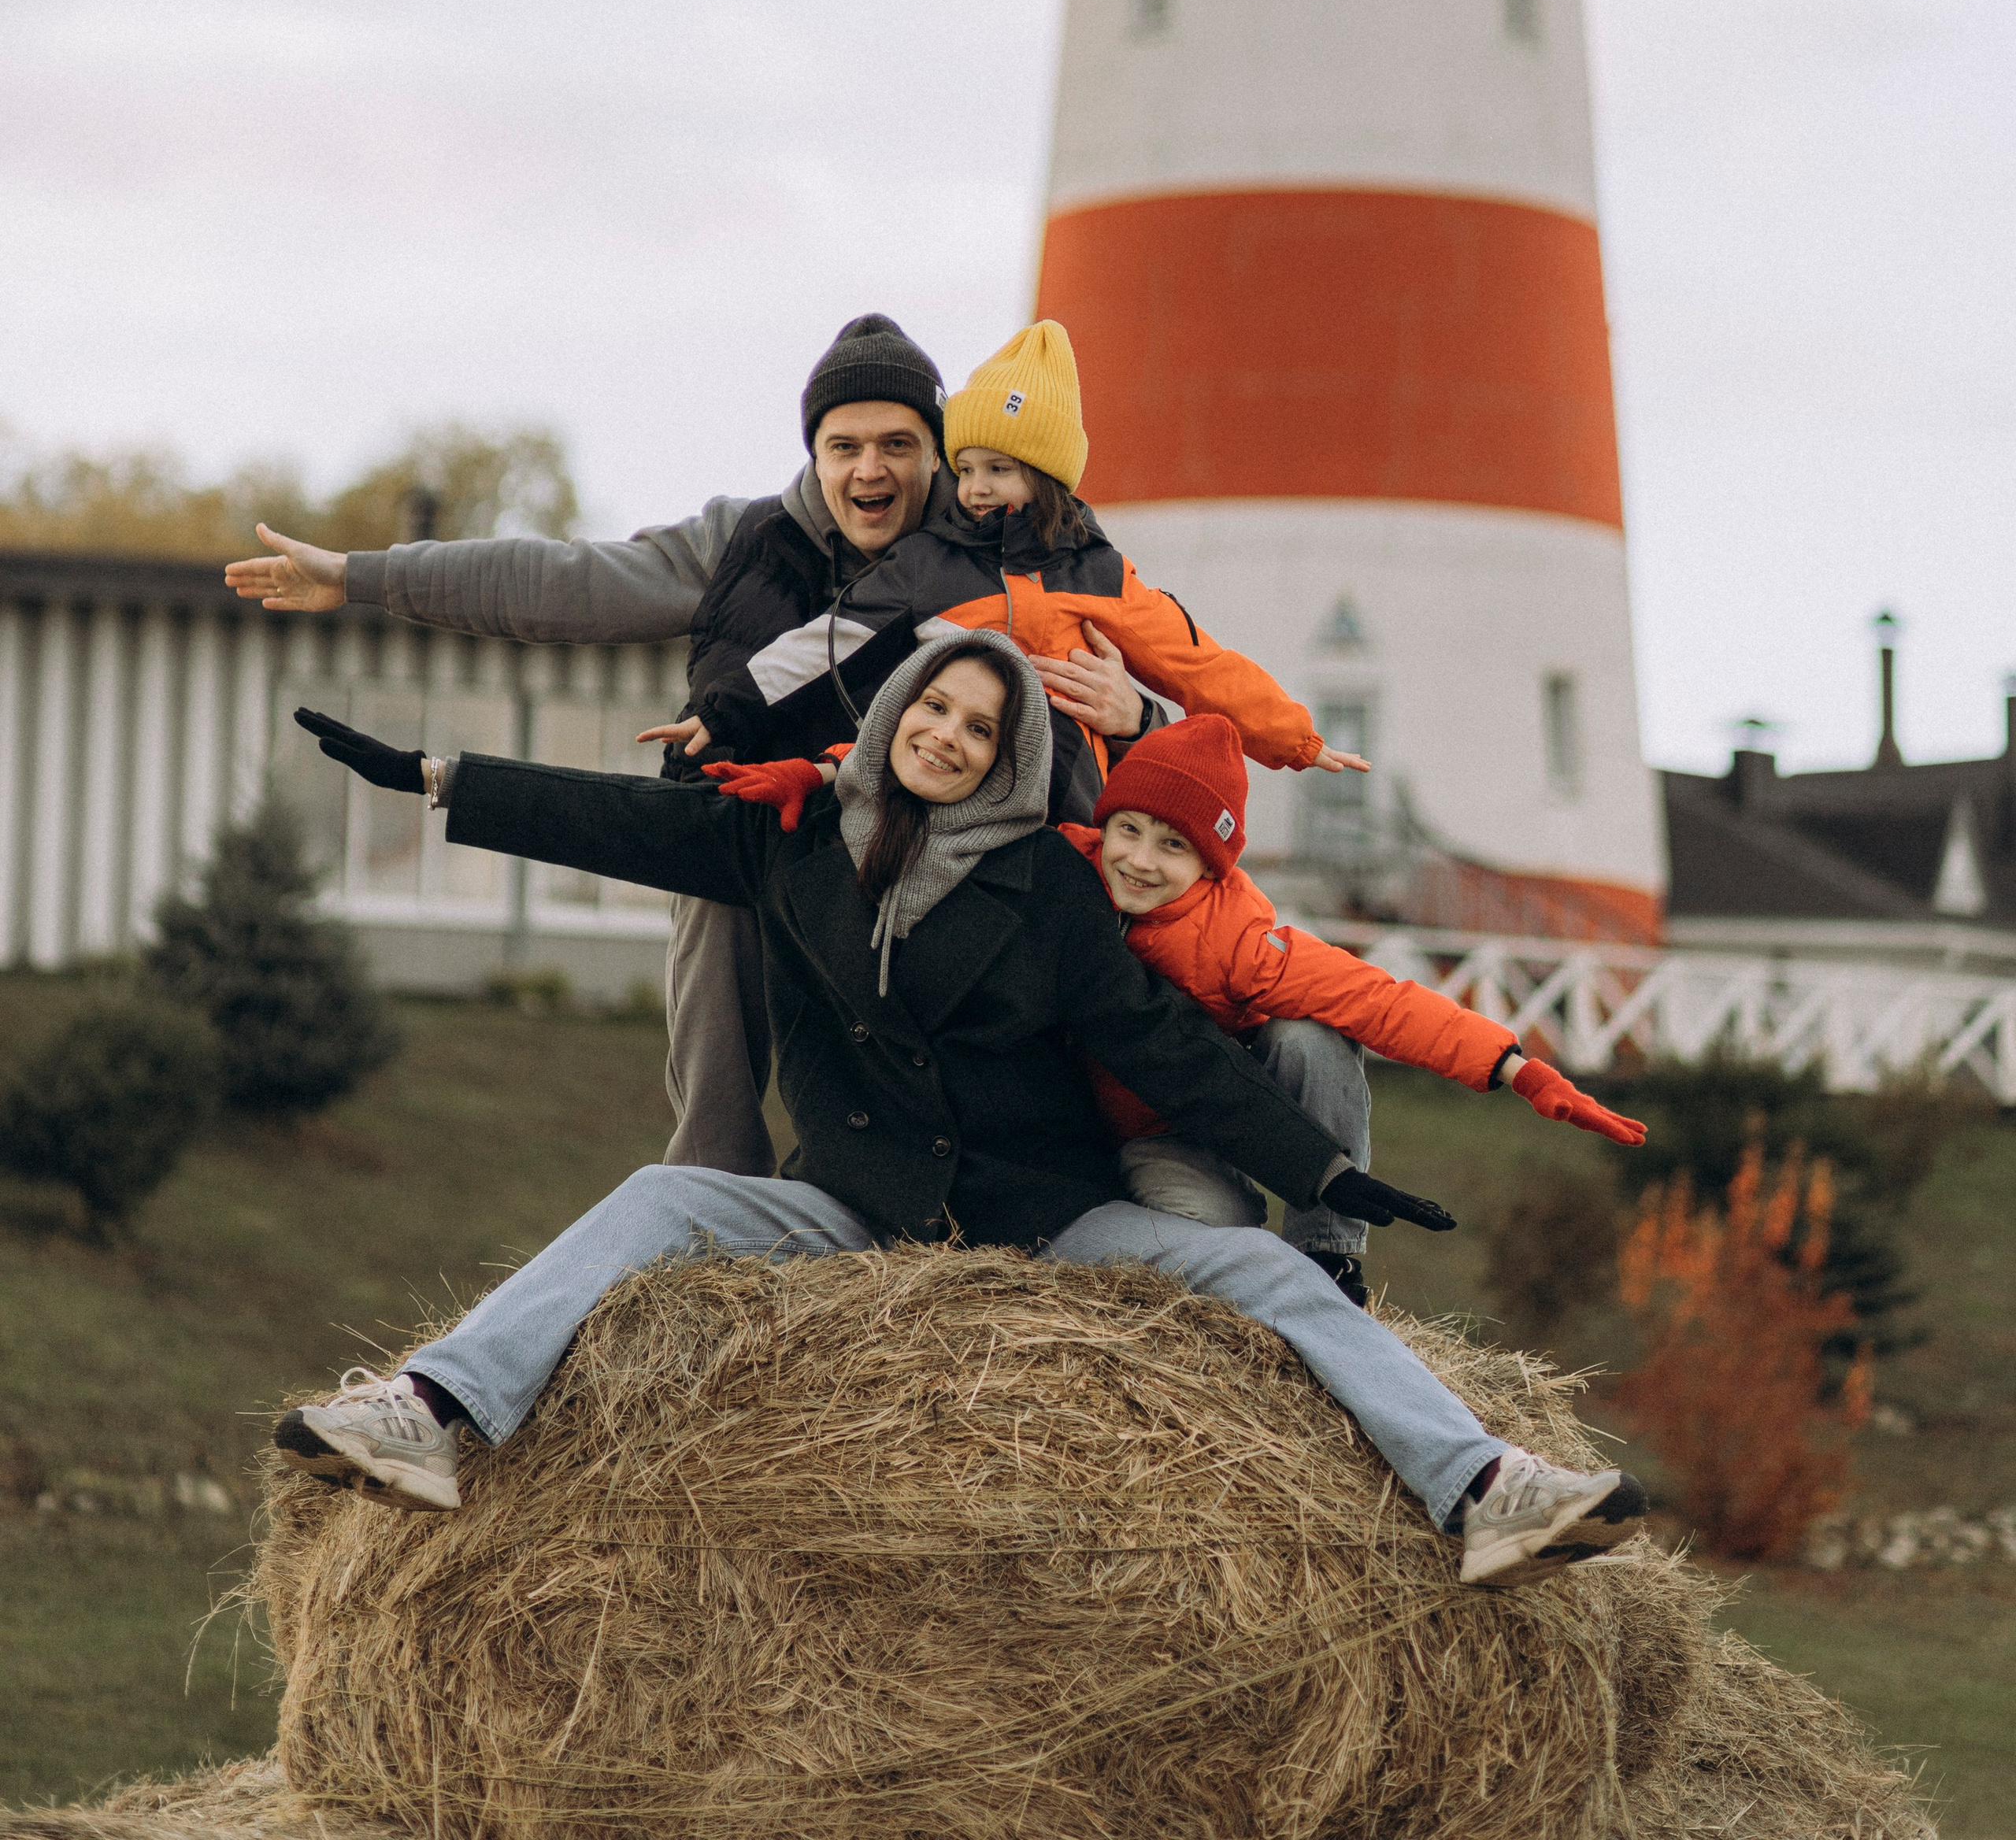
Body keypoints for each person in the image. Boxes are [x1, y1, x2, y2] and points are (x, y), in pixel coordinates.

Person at [276, 635, 1649, 1590]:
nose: (947, 735)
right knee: (659, 1199)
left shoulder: (1049, 886)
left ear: (1010, 756)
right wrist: (438, 779)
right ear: (895, 716)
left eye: (981, 728)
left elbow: (1161, 1044)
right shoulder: (789, 836)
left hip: (1043, 1214)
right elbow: (624, 819)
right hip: (852, 1202)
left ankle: (1484, 1489)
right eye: (934, 710)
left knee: (1266, 1275)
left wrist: (1326, 1174)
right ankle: (431, 1410)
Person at [224, 313, 1151, 1176]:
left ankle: (1036, 1170)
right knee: (719, 881)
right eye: (845, 446)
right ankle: (711, 1177)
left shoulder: (1010, 543)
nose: (870, 469)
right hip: (765, 835)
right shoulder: (746, 542)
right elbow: (561, 582)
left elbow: (1167, 674)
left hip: (933, 853)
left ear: (936, 452)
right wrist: (362, 577)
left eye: (897, 445)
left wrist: (1137, 717)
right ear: (815, 454)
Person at [693, 320, 1368, 831]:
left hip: (1069, 817)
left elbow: (1199, 666)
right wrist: (725, 707)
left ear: (1045, 477)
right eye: (967, 468)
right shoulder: (928, 563)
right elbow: (826, 642)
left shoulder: (1100, 572)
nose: (977, 488)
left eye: (1000, 469)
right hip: (944, 804)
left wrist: (1296, 740)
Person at [1058, 713, 1646, 1278]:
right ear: (1104, 823)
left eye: (1173, 845)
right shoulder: (1061, 870)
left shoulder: (1235, 940)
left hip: (1188, 1118)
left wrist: (1519, 1070)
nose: (1139, 860)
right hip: (1094, 1113)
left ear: (1211, 866)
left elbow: (1375, 998)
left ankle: (1327, 1254)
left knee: (1308, 1043)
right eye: (1128, 829)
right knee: (1199, 1233)